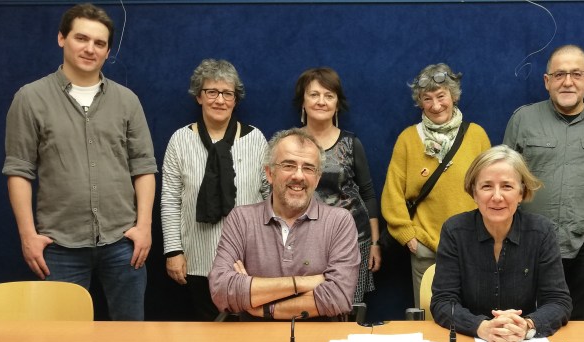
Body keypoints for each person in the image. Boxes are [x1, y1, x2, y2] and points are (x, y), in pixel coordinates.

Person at [2, 3, 156, 321]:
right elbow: (18, 171)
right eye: (81, 38)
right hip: (59, 246)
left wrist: (144, 227)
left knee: (132, 337)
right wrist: (28, 236)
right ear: (62, 38)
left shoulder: (127, 101)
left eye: (99, 43)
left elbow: (144, 168)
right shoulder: (30, 98)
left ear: (108, 51)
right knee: (60, 340)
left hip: (123, 244)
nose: (90, 49)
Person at [501, 44, 584, 320]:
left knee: (580, 322)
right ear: (547, 81)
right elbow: (505, 178)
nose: (568, 82)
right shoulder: (522, 119)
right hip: (528, 242)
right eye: (559, 75)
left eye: (576, 74)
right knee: (527, 321)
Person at [208, 128, 360, 320]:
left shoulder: (339, 222)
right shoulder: (241, 219)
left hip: (319, 337)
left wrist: (264, 307)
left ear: (317, 179)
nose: (299, 176)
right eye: (288, 165)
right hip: (252, 336)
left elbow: (338, 297)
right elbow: (221, 291)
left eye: (308, 168)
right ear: (269, 173)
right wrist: (304, 283)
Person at [161, 59, 270, 321]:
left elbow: (270, 197)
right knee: (207, 335)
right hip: (197, 259)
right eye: (212, 92)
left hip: (249, 260)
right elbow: (170, 200)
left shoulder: (255, 139)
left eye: (227, 93)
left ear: (235, 99)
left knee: (251, 333)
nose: (220, 100)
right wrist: (173, 251)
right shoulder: (180, 140)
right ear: (199, 96)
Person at [431, 146, 572, 342]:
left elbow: (559, 301)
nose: (497, 197)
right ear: (474, 192)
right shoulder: (454, 231)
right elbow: (443, 302)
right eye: (487, 186)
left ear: (521, 193)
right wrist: (482, 327)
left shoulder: (542, 232)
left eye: (507, 186)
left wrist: (526, 326)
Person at [381, 63, 491, 308]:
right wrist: (407, 235)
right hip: (425, 246)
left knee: (473, 315)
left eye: (441, 96)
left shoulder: (477, 136)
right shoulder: (408, 139)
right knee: (429, 316)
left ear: (453, 96)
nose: (435, 105)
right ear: (420, 103)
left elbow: (491, 187)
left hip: (472, 245)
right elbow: (392, 193)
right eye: (427, 98)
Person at [293, 67, 380, 304]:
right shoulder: (290, 143)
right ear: (303, 101)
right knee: (306, 306)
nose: (321, 101)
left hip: (354, 240)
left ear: (337, 104)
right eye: (314, 94)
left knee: (348, 308)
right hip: (302, 241)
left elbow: (368, 194)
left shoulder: (351, 143)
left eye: (329, 96)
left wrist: (375, 243)